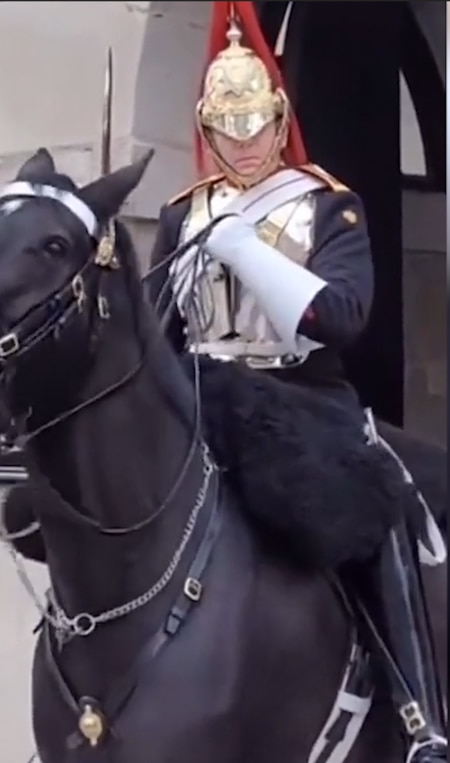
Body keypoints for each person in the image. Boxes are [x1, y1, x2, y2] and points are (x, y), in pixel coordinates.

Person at [146, 4, 446, 762]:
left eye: (256, 124)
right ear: (207, 127)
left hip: (304, 400)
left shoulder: (326, 205)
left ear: (279, 119)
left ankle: (418, 711)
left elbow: (341, 316)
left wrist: (247, 248)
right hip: (206, 402)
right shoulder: (183, 218)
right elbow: (157, 336)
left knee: (382, 507)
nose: (243, 143)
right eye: (228, 126)